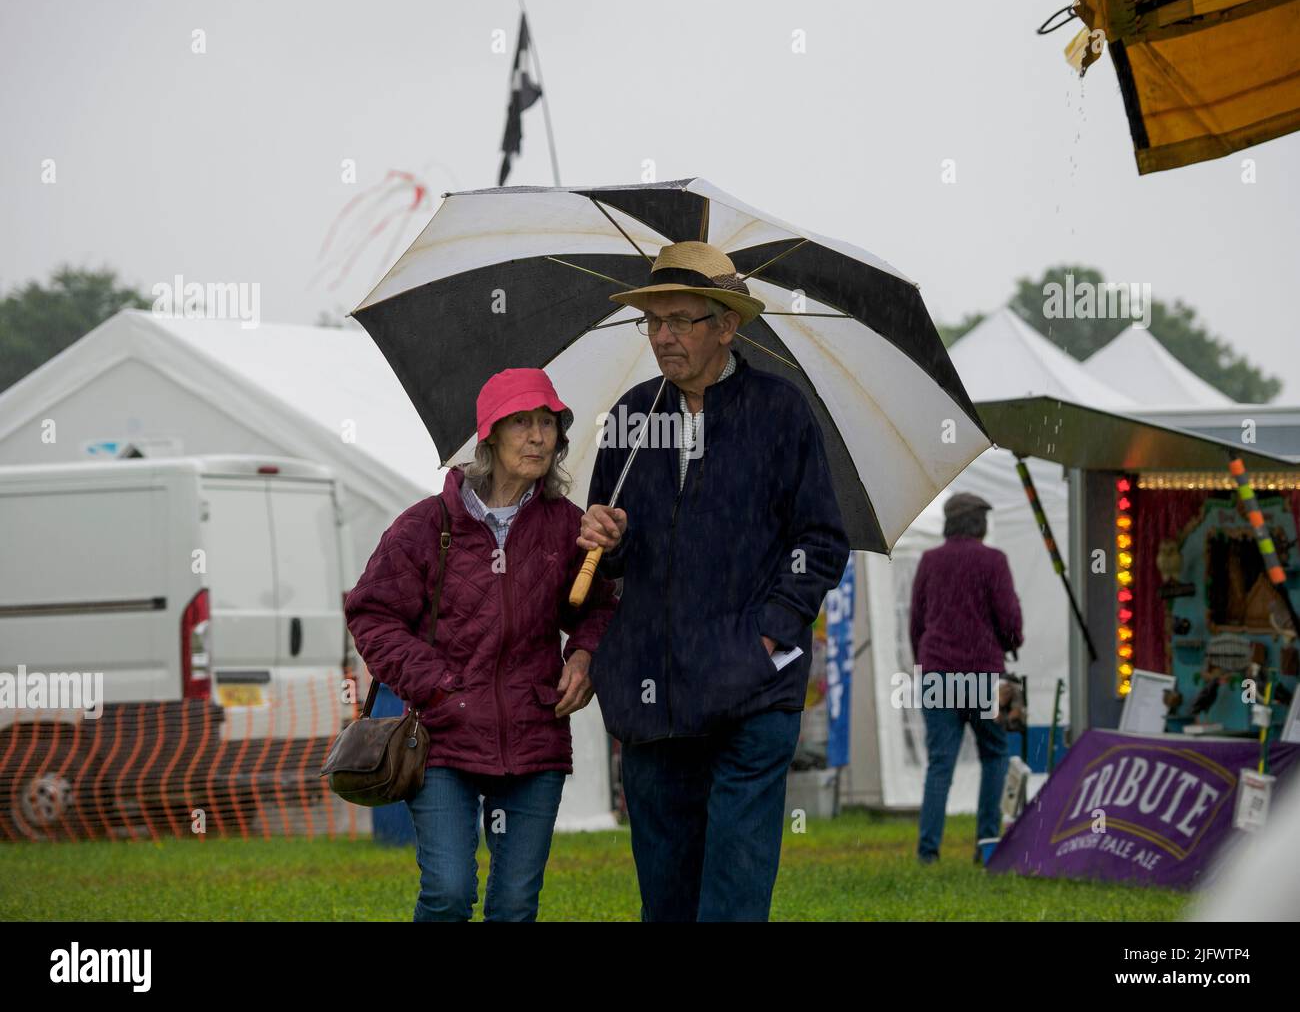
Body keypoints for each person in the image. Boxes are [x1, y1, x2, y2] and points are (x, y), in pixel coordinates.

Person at [579, 240, 850, 922]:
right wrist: (604, 542)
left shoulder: (781, 413)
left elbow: (820, 541)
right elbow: (607, 560)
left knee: (730, 900)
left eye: (680, 320)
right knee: (666, 903)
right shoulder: (630, 417)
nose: (663, 337)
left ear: (726, 325)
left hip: (751, 695)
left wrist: (767, 635)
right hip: (653, 697)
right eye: (653, 322)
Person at [345, 368, 617, 921]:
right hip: (443, 739)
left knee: (515, 904)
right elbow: (372, 614)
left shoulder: (568, 526)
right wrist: (439, 691)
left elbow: (596, 608)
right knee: (448, 892)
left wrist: (584, 656)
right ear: (489, 435)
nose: (539, 436)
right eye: (523, 423)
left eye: (548, 423)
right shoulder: (427, 524)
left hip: (534, 735)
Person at [909, 491, 1023, 865]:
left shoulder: (930, 561)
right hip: (984, 675)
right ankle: (986, 846)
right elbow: (1008, 619)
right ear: (978, 523)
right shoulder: (993, 561)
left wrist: (924, 663)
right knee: (994, 756)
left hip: (937, 672)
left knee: (940, 763)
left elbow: (917, 622)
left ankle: (928, 853)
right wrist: (1011, 642)